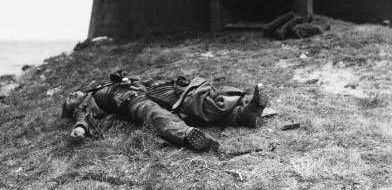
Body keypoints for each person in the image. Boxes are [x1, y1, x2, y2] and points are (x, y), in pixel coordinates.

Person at [61, 70, 270, 151]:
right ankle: (187, 135)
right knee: (156, 115)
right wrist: (79, 128)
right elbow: (82, 118)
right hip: (134, 102)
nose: (70, 96)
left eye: (70, 94)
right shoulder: (85, 103)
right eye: (68, 101)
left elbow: (135, 80)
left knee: (193, 101)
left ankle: (245, 115)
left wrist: (123, 77)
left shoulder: (98, 87)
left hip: (151, 91)